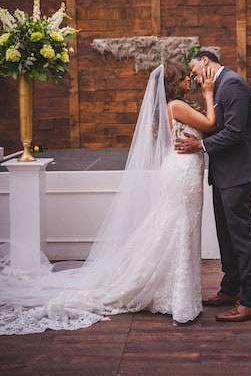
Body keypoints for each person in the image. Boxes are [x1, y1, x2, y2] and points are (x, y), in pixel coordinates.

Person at [0, 60, 216, 334]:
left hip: (181, 169)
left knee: (176, 228)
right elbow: (209, 124)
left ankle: (174, 292)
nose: (190, 81)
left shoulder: (171, 107)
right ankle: (175, 295)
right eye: (185, 78)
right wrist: (209, 92)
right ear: (174, 84)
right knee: (179, 228)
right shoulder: (176, 106)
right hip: (182, 172)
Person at [175, 51, 251, 323]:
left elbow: (235, 130)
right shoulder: (217, 86)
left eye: (192, 69)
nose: (192, 76)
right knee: (226, 234)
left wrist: (200, 145)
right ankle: (231, 289)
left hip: (239, 172)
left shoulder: (233, 84)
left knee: (242, 236)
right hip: (224, 172)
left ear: (206, 60)